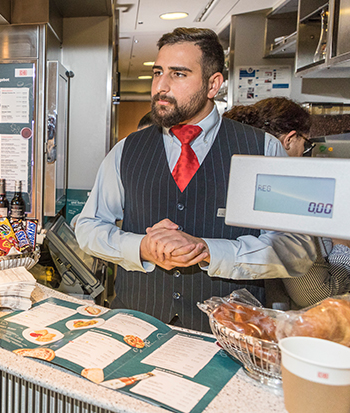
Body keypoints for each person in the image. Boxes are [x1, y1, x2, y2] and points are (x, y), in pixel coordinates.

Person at [75, 28, 315, 333]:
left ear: (213, 84)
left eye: (178, 74)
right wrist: (140, 248)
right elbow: (88, 228)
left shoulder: (263, 150)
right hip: (136, 327)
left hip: (230, 335)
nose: (161, 86)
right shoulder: (126, 150)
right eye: (158, 72)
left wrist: (208, 250)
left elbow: (296, 250)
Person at [224, 98, 350, 307]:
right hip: (280, 321)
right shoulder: (288, 197)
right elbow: (313, 293)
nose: (305, 153)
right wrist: (342, 247)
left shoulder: (237, 180)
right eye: (306, 144)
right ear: (290, 139)